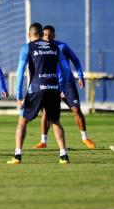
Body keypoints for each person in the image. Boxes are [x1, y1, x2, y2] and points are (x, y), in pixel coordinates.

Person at [7, 22, 71, 165]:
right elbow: (66, 69)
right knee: (55, 122)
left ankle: (17, 156)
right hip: (53, 88)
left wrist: (18, 92)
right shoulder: (55, 47)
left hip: (36, 89)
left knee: (22, 121)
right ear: (42, 34)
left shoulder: (27, 47)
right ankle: (63, 156)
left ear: (29, 35)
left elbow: (20, 70)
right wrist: (62, 87)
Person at [34, 25, 96, 150]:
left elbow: (76, 60)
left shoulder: (62, 46)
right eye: (45, 35)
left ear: (54, 36)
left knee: (76, 110)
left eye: (50, 35)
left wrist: (80, 76)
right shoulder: (39, 50)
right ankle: (43, 141)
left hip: (67, 84)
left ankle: (85, 138)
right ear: (41, 36)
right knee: (46, 113)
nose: (47, 37)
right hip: (51, 85)